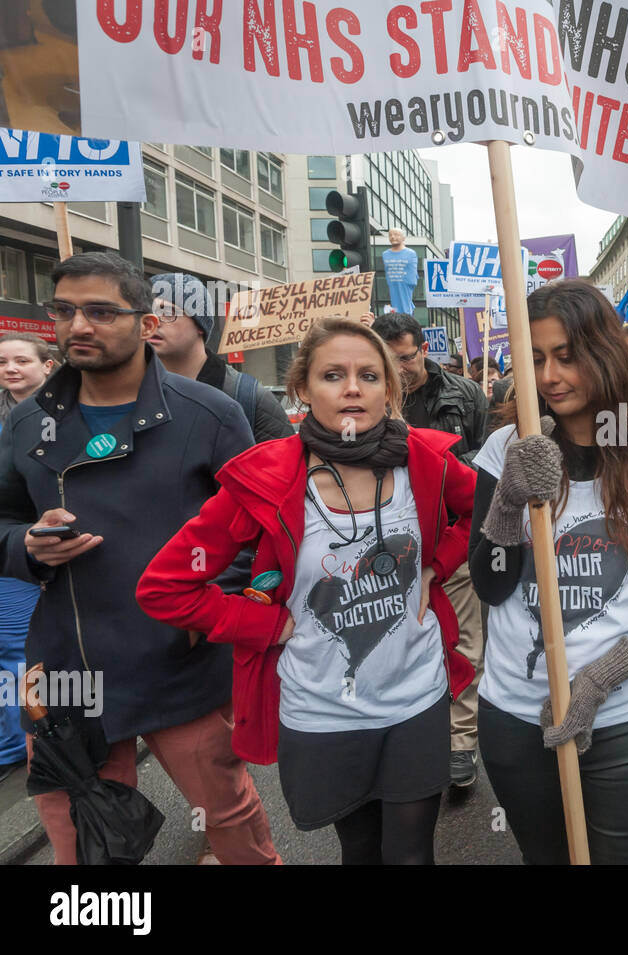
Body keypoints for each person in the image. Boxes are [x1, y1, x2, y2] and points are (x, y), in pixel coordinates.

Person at [137, 317, 477, 864]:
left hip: (418, 696)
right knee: (360, 851)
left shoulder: (426, 460)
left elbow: (481, 511)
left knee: (413, 855)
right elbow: (165, 587)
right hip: (322, 710)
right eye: (333, 375)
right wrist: (265, 624)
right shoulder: (267, 479)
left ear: (389, 390)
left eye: (369, 375)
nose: (351, 388)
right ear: (302, 389)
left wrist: (438, 563)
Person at [0, 252, 279, 865]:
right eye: (65, 310)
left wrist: (206, 610)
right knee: (82, 839)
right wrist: (26, 545)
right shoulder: (25, 423)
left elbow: (260, 533)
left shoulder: (209, 414)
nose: (78, 326)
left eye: (100, 311)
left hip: (183, 664)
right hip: (68, 668)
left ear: (145, 322)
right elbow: (4, 521)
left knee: (230, 820)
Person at [468, 280, 628, 864]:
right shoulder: (504, 447)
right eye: (537, 358)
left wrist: (599, 681)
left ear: (601, 355)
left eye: (567, 357)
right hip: (516, 715)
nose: (550, 376)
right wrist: (507, 504)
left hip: (624, 718)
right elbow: (492, 583)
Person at [371, 311, 488, 788]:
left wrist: (445, 465)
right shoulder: (370, 394)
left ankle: (461, 743)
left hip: (449, 539)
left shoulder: (464, 393)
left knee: (462, 640)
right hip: (388, 552)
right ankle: (412, 736)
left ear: (423, 349)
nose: (400, 369)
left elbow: (489, 461)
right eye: (389, 361)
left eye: (406, 357)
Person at [0, 333, 56, 782]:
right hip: (9, 546)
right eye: (3, 361)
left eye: (22, 360)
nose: (10, 368)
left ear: (48, 366)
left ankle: (22, 743)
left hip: (36, 553)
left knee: (16, 651)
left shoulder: (58, 416)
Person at [148, 273, 293, 443]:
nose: (154, 321)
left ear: (199, 325)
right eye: (147, 313)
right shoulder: (127, 391)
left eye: (167, 312)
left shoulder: (248, 397)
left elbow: (282, 466)